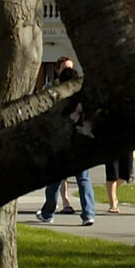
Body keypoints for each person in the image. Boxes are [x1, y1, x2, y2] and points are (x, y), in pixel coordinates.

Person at [35, 58, 94, 225]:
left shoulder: (57, 97)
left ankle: (48, 212)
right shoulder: (83, 96)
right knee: (83, 179)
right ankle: (88, 213)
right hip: (81, 141)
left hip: (61, 144)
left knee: (55, 180)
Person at [103, 148, 135, 213]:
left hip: (127, 144)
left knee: (126, 174)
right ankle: (113, 204)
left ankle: (111, 190)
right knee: (112, 173)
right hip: (110, 143)